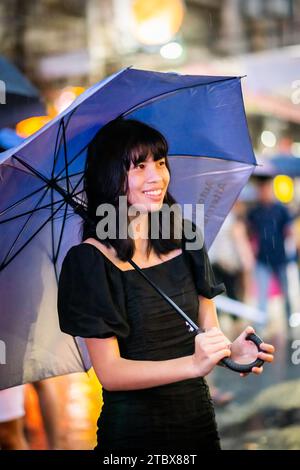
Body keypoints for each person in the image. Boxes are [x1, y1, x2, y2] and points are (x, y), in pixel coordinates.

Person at [57, 118, 274, 451]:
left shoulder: (185, 237)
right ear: (111, 177)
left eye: (160, 162)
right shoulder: (89, 262)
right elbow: (111, 373)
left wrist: (229, 350)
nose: (156, 177)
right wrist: (192, 365)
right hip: (134, 433)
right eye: (139, 166)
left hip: (198, 421)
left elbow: (206, 329)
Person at [247, 176, 294, 329]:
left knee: (286, 292)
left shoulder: (281, 210)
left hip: (279, 257)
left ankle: (289, 320)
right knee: (262, 293)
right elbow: (249, 231)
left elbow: (288, 231)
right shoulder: (255, 211)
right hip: (262, 257)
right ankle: (261, 324)